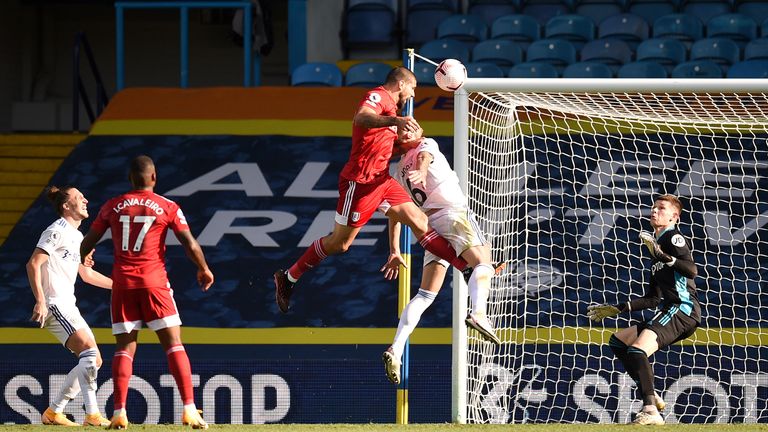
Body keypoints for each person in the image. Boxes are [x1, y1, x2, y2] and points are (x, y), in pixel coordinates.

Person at [273, 67, 471, 313]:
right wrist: (395, 121)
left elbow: (387, 148)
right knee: (340, 244)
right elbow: (361, 118)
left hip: (382, 181)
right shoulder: (379, 97)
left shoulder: (393, 112)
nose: (412, 95)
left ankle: (465, 268)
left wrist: (410, 139)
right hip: (359, 184)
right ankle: (289, 277)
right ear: (401, 85)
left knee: (419, 220)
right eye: (413, 89)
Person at [80, 155, 214, 430]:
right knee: (173, 343)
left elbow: (88, 241)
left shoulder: (112, 206)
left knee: (124, 348)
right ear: (154, 177)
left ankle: (119, 412)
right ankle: (189, 408)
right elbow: (189, 242)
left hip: (123, 285)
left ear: (130, 178)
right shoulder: (168, 206)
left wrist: (83, 256)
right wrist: (203, 268)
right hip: (155, 283)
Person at [378, 134, 503, 385]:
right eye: (408, 129)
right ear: (404, 141)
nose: (415, 127)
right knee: (483, 264)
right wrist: (422, 171)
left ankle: (396, 348)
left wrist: (394, 249)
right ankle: (479, 313)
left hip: (430, 227)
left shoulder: (397, 171)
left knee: (425, 295)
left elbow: (396, 213)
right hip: (453, 215)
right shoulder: (425, 145)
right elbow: (425, 157)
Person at [587, 194, 700, 425]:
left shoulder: (673, 237)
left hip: (683, 309)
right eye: (654, 207)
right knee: (619, 341)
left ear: (674, 217)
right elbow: (652, 299)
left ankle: (650, 410)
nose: (655, 211)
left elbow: (691, 270)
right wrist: (617, 309)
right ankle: (650, 394)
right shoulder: (656, 249)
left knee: (638, 350)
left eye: (662, 208)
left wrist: (664, 257)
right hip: (669, 308)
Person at [27, 185, 113, 427]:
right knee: (89, 352)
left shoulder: (77, 237)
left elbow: (86, 275)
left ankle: (54, 412)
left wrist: (120, 288)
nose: (85, 200)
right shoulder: (57, 230)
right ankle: (92, 414)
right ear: (66, 206)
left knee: (94, 360)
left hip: (67, 304)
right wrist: (41, 300)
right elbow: (33, 263)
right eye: (78, 197)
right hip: (54, 304)